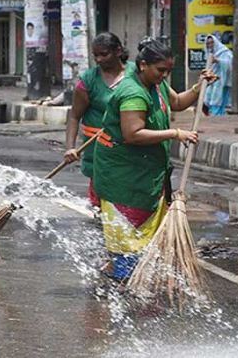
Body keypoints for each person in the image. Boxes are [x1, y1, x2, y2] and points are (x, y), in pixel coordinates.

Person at [93, 38, 218, 280]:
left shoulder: (156, 84)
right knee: (128, 244)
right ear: (143, 66)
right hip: (124, 178)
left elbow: (178, 103)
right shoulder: (133, 93)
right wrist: (175, 133)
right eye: (161, 70)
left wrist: (198, 87)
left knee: (144, 243)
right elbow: (133, 133)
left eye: (168, 71)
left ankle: (133, 281)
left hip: (146, 174)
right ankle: (122, 287)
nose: (164, 75)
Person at [63, 32, 136, 209]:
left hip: (131, 153)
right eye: (95, 55)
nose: (99, 59)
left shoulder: (137, 73)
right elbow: (74, 116)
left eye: (104, 54)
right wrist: (70, 147)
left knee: (130, 206)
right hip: (99, 153)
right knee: (103, 208)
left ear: (118, 51)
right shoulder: (88, 81)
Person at [203, 35, 233, 116]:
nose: (210, 45)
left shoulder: (224, 52)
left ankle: (218, 114)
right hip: (212, 79)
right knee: (210, 97)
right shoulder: (209, 53)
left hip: (221, 79)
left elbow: (229, 63)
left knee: (219, 99)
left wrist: (218, 61)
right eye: (208, 43)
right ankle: (213, 113)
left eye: (212, 43)